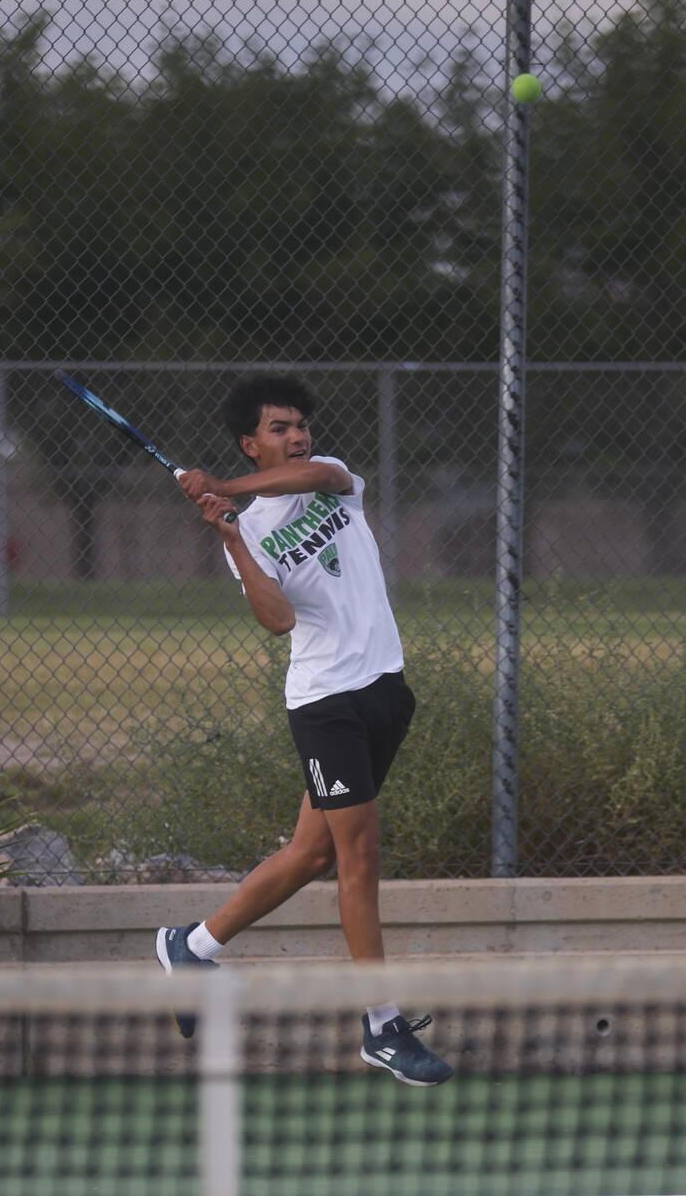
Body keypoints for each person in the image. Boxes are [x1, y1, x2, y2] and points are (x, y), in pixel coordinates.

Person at [155, 373, 452, 1087]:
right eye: (280, 428)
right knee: (358, 860)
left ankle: (191, 945)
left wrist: (221, 481)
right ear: (250, 441)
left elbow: (315, 470)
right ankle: (381, 1025)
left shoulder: (331, 480)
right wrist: (228, 531)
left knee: (311, 853)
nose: (298, 436)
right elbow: (278, 618)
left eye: (300, 424)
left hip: (386, 689)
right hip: (326, 704)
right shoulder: (249, 527)